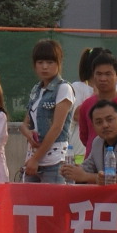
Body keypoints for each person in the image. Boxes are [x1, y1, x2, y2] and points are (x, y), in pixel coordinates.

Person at [21, 40, 75, 183]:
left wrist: (36, 158)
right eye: (40, 62)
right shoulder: (36, 89)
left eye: (50, 62)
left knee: (54, 197)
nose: (44, 67)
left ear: (59, 63)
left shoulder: (64, 88)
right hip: (32, 158)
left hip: (54, 161)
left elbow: (57, 127)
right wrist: (28, 134)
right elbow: (25, 123)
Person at [61, 100, 117, 183]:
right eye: (99, 122)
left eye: (110, 120)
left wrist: (85, 176)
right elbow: (88, 167)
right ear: (93, 126)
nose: (105, 125)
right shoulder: (97, 141)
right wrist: (72, 170)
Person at [73, 51, 117, 147]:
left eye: (108, 74)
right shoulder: (86, 105)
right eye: (99, 74)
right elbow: (85, 137)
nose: (103, 78)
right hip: (93, 156)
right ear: (93, 75)